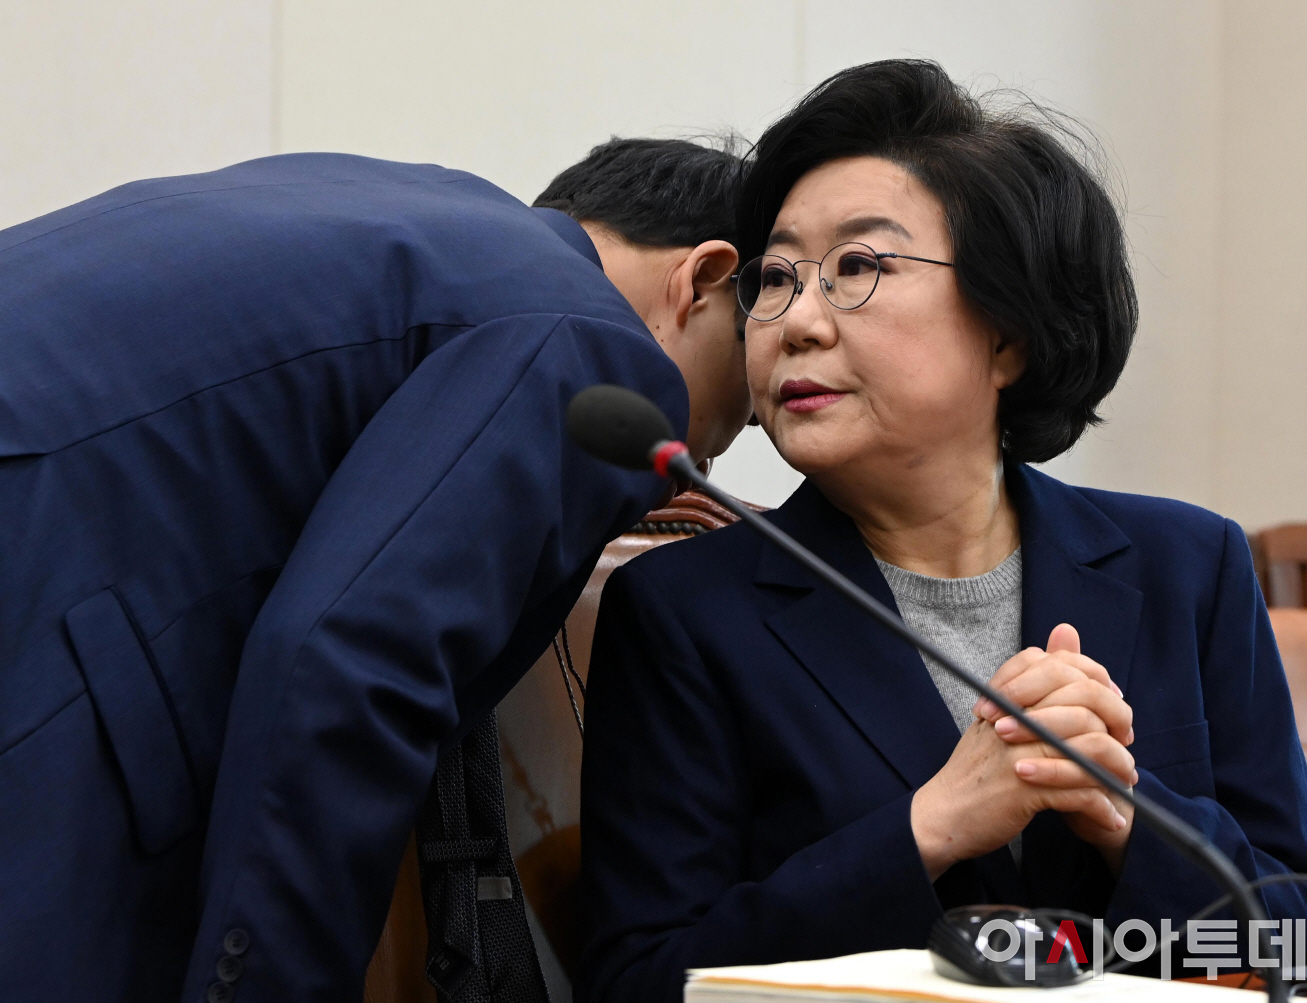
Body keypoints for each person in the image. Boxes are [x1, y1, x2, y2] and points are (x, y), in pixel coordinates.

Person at [576, 61, 1307, 1003]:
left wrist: (1122, 811)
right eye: (776, 278)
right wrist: (932, 826)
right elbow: (641, 981)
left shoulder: (1189, 567)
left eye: (858, 267)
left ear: (1009, 334)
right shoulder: (682, 612)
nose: (796, 322)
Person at [0, 138, 751, 1002]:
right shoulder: (592, 345)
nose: (688, 470)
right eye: (714, 432)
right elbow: (349, 664)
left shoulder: (402, 208)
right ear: (703, 278)